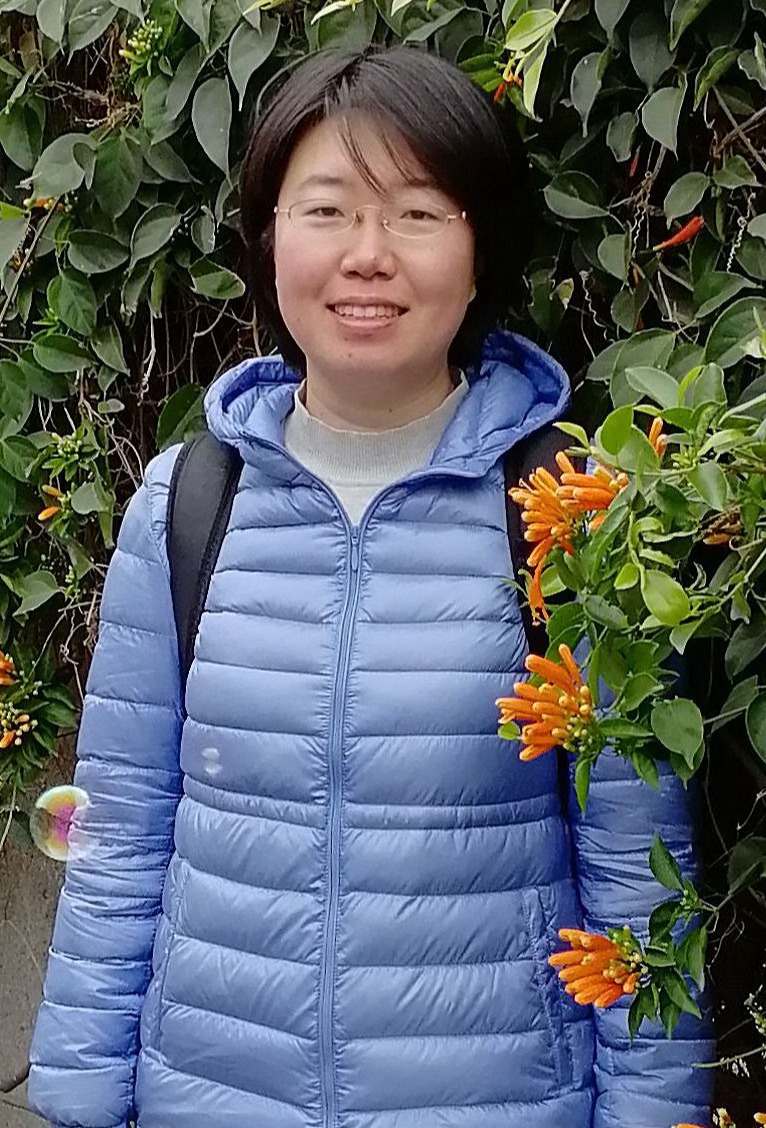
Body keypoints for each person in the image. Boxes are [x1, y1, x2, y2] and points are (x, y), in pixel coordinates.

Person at [28, 46, 713, 1128]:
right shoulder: (189, 501)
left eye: (417, 214)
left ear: (480, 252)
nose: (367, 255)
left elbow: (639, 874)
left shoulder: (572, 514)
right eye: (327, 210)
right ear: (270, 240)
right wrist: (77, 1097)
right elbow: (119, 836)